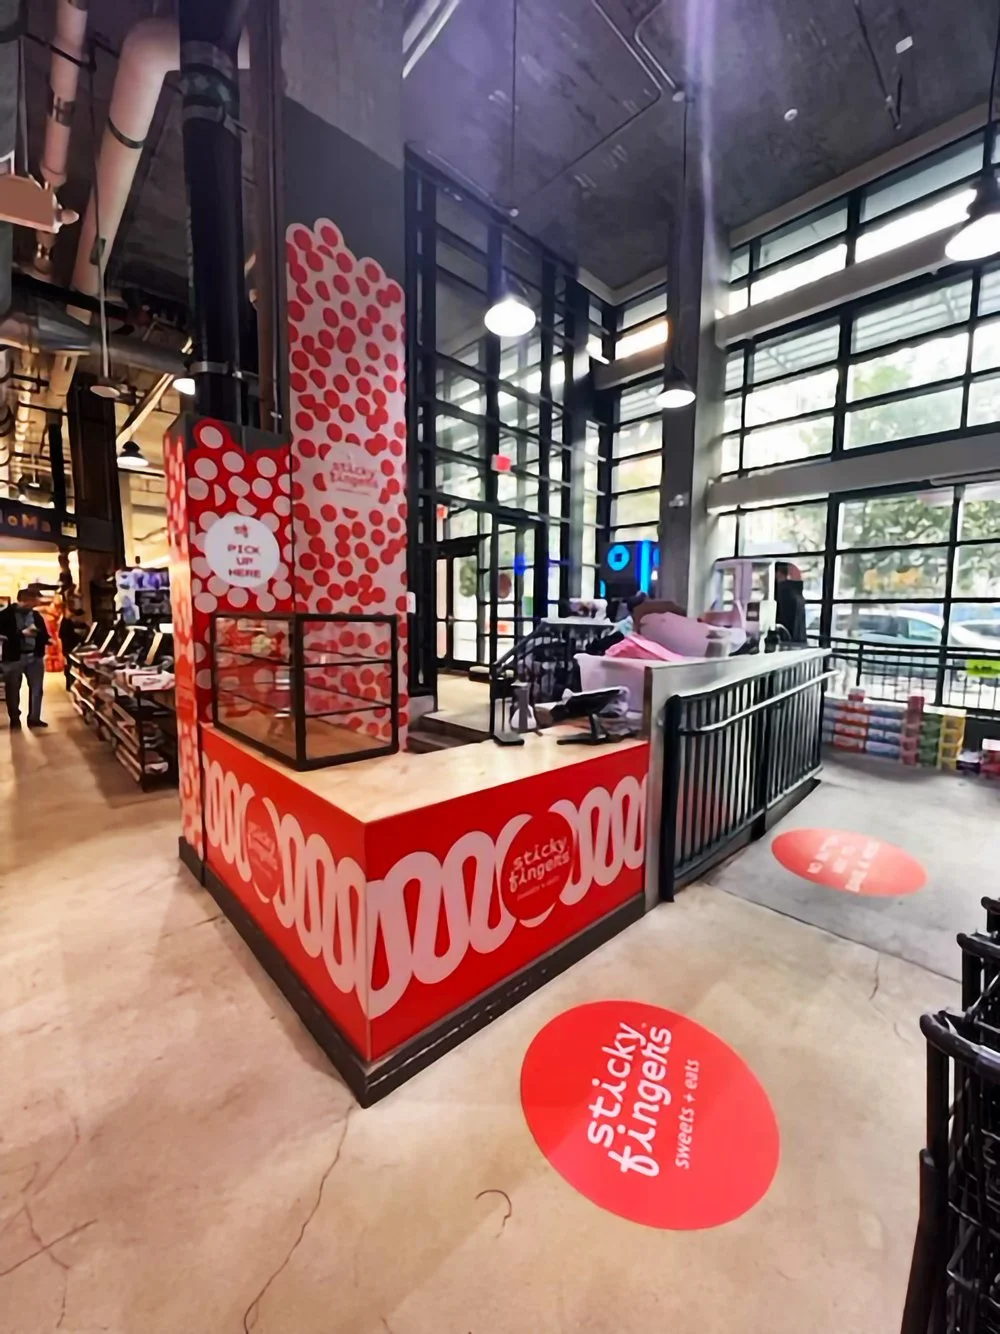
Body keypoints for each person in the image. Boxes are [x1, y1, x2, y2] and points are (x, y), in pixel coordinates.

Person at [0, 588, 50, 730]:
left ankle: (34, 718)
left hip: (34, 655)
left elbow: (43, 633)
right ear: (24, 599)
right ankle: (15, 718)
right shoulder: (5, 615)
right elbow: (3, 634)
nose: (36, 603)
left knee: (37, 688)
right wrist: (22, 634)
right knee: (13, 689)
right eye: (33, 600)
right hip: (14, 657)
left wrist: (46, 639)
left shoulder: (36, 615)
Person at [774, 561, 807, 645]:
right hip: (798, 641)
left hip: (785, 642)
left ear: (777, 574)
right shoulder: (796, 593)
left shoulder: (782, 594)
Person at [59, 605, 90, 689]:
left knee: (72, 666)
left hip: (73, 649)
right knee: (70, 666)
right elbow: (63, 635)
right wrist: (78, 636)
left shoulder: (79, 624)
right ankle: (70, 684)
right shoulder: (66, 622)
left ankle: (71, 685)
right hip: (69, 648)